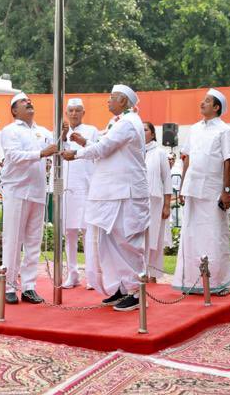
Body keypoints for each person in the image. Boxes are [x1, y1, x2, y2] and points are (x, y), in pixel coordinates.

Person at [61, 84, 149, 312]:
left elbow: (105, 148)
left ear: (123, 101)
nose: (107, 101)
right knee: (109, 241)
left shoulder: (129, 123)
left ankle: (136, 291)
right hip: (112, 193)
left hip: (127, 192)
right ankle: (121, 286)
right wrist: (85, 143)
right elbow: (104, 147)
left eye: (112, 98)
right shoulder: (118, 122)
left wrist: (76, 153)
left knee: (127, 241)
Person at [172, 88, 230, 296]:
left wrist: (225, 191)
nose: (202, 103)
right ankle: (192, 282)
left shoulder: (225, 130)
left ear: (216, 107)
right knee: (190, 235)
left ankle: (219, 283)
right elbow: (187, 158)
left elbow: (228, 161)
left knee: (214, 236)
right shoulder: (194, 129)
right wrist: (182, 186)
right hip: (192, 188)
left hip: (212, 190)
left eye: (207, 101)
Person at [0, 92, 57, 304]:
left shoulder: (42, 132)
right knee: (13, 239)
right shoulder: (10, 130)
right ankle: (9, 285)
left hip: (37, 191)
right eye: (23, 102)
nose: (29, 102)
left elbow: (58, 146)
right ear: (14, 110)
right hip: (17, 190)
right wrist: (41, 154)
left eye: (29, 100)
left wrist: (64, 134)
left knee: (34, 241)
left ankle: (29, 286)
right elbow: (14, 156)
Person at [60, 97, 99, 289]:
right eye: (71, 111)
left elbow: (97, 152)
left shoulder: (91, 131)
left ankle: (91, 276)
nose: (74, 114)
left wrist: (82, 141)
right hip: (67, 190)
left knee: (88, 232)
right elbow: (58, 157)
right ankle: (72, 274)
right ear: (66, 113)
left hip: (86, 188)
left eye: (77, 110)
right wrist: (63, 136)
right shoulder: (60, 131)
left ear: (83, 113)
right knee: (69, 232)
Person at [144, 121, 171, 281]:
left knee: (154, 238)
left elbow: (167, 179)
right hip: (138, 202)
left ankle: (153, 275)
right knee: (140, 239)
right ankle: (141, 274)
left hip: (155, 201)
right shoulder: (133, 151)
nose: (142, 132)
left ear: (153, 134)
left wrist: (167, 205)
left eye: (145, 130)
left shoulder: (159, 153)